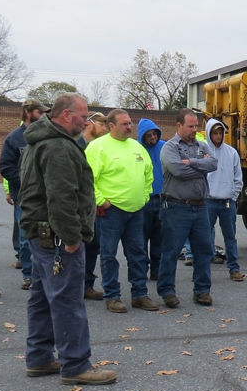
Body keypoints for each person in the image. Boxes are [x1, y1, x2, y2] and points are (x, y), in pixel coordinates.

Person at [18, 92, 117, 385]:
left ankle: (39, 357)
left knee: (41, 298)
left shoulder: (41, 142)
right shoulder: (59, 147)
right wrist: (72, 237)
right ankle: (75, 365)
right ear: (65, 115)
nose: (86, 121)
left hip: (41, 234)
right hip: (56, 238)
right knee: (67, 300)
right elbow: (61, 197)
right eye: (82, 115)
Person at [85, 109, 157, 313]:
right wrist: (102, 201)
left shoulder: (136, 147)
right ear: (111, 126)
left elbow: (148, 174)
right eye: (125, 124)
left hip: (136, 210)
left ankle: (140, 294)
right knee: (108, 254)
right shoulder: (97, 148)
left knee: (138, 254)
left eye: (130, 123)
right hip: (111, 212)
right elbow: (88, 179)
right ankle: (112, 296)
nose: (129, 126)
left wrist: (144, 196)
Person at [157, 108, 217, 308]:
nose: (194, 129)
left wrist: (192, 162)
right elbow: (178, 170)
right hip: (176, 207)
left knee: (204, 251)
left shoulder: (202, 145)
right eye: (190, 126)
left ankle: (202, 291)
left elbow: (214, 163)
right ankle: (167, 291)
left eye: (196, 126)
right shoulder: (169, 147)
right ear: (179, 125)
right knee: (171, 251)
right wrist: (201, 167)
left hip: (200, 208)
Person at [0, 99, 47, 291]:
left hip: (45, 198)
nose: (43, 115)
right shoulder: (14, 138)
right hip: (24, 197)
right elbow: (5, 167)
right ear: (28, 112)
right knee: (26, 237)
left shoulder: (46, 136)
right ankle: (29, 275)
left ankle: (44, 273)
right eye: (39, 112)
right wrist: (26, 180)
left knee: (46, 236)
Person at [204, 118, 246, 282]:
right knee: (206, 236)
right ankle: (204, 268)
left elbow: (238, 177)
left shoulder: (231, 152)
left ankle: (234, 268)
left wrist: (233, 195)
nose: (218, 136)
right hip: (209, 201)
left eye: (221, 132)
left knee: (230, 236)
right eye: (215, 133)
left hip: (227, 201)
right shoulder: (204, 152)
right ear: (209, 134)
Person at [77, 112, 110, 301]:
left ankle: (86, 285)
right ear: (89, 123)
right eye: (101, 124)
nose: (104, 128)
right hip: (79, 205)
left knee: (92, 245)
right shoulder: (78, 144)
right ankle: (73, 285)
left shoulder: (101, 147)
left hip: (95, 206)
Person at [136, 118, 165, 281]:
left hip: (161, 198)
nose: (152, 138)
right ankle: (142, 270)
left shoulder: (164, 147)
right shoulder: (137, 150)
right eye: (148, 135)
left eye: (154, 134)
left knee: (159, 237)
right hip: (145, 200)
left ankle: (157, 270)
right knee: (141, 238)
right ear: (142, 137)